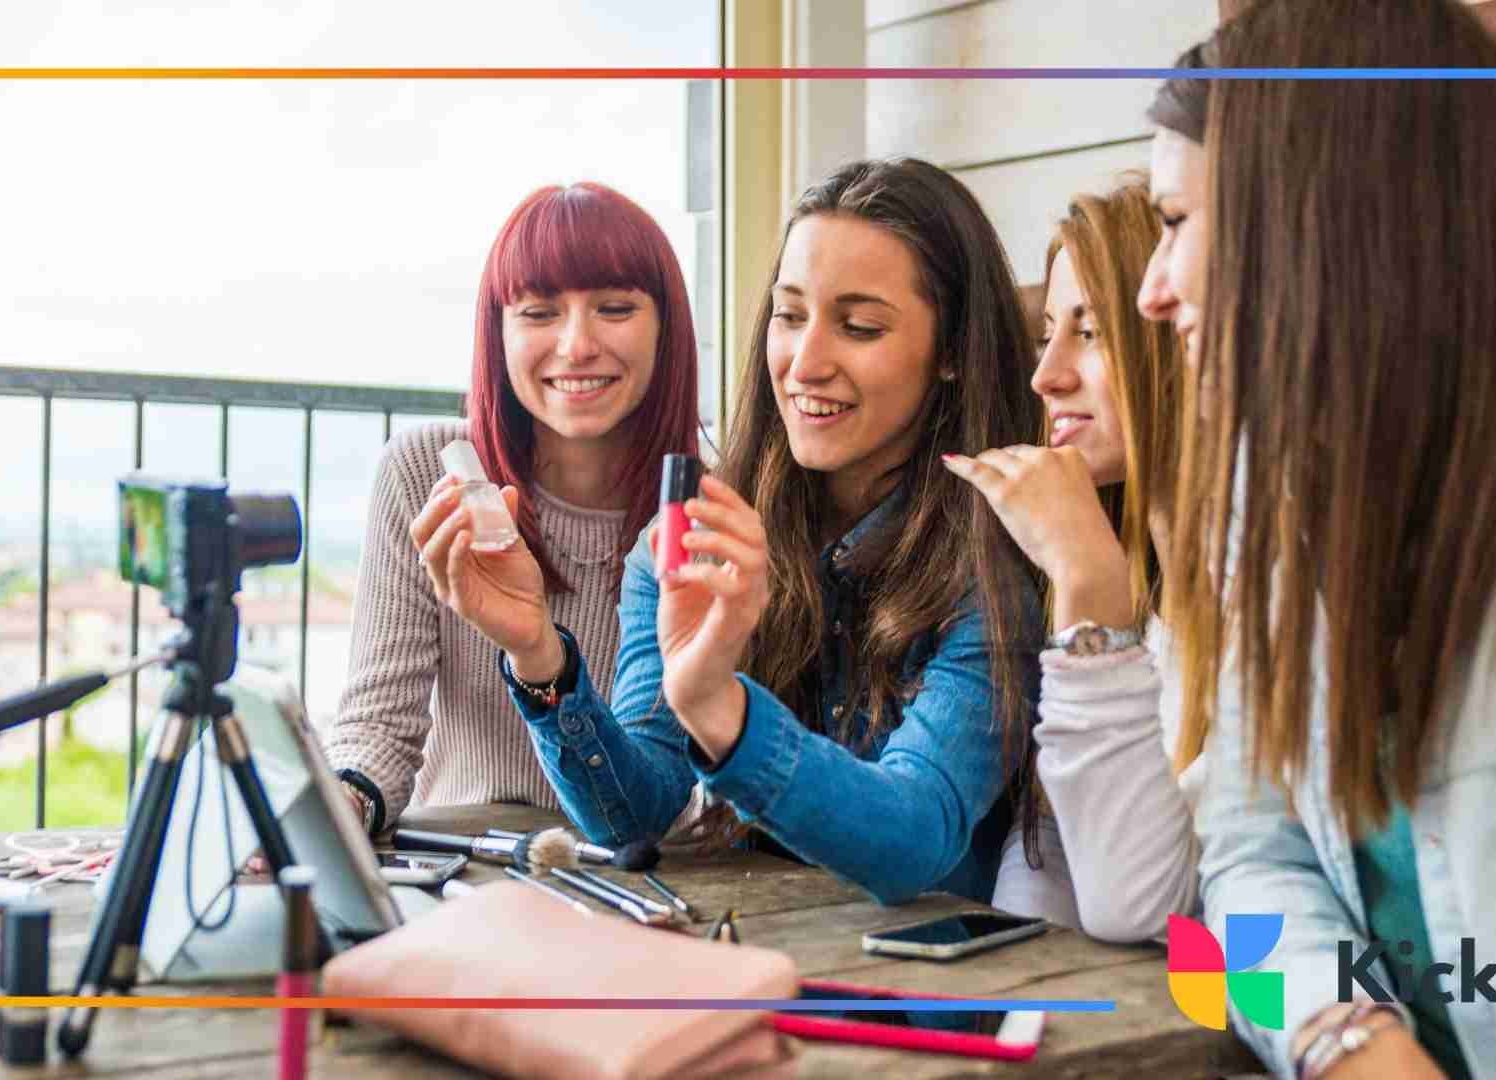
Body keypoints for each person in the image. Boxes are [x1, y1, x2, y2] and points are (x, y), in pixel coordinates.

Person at [1140, 2, 1496, 1078]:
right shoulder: (1277, 513)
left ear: (1312, 225)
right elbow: (1246, 866)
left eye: (1174, 223)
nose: (1151, 291)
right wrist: (1341, 1037)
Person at [412, 156, 1045, 904]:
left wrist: (718, 705)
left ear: (950, 353)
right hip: (753, 960)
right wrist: (538, 654)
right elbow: (635, 815)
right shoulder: (692, 539)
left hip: (922, 995)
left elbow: (914, 837)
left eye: (860, 326)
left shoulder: (993, 567)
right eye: (790, 314)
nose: (805, 363)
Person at [323, 182, 702, 836]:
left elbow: (661, 777)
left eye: (614, 308)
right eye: (538, 312)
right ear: (496, 333)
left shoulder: (702, 510)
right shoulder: (426, 470)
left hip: (637, 876)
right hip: (462, 861)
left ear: (667, 329)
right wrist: (338, 808)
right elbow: (378, 727)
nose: (578, 345)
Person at [943, 180, 1200, 942]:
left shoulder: (1264, 595)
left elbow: (1136, 908)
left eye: (1089, 333)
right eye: (1048, 331)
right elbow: (1047, 852)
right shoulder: (1131, 565)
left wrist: (1086, 585)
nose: (1045, 375)